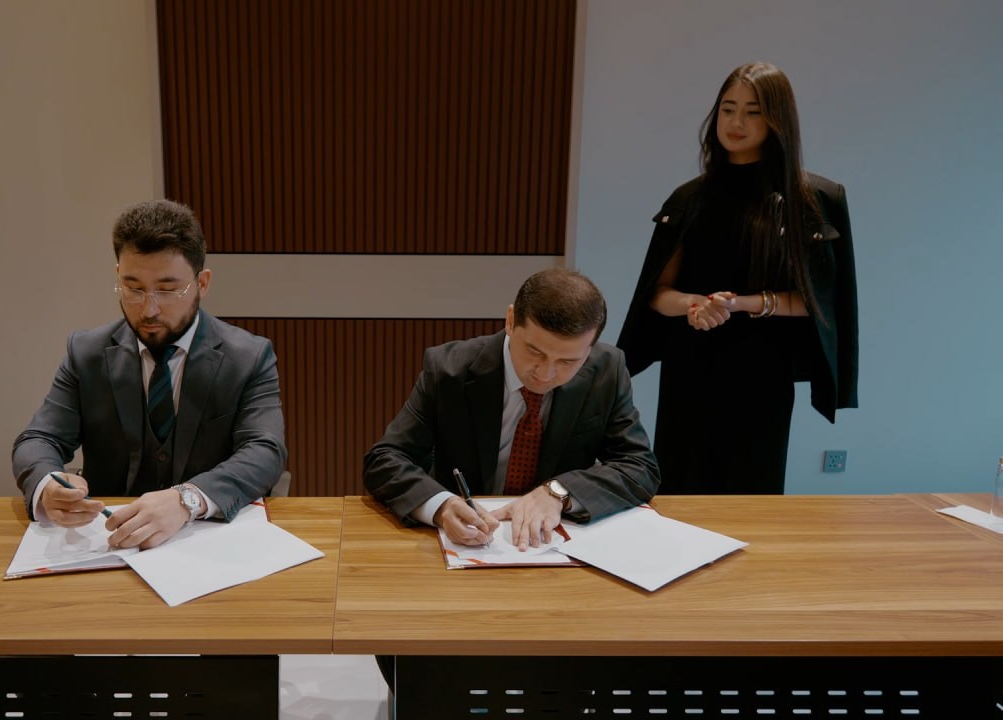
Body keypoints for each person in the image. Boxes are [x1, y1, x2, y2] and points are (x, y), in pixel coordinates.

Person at [617, 62, 858, 495]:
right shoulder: (689, 198)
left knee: (753, 491)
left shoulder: (815, 200)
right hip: (692, 365)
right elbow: (657, 293)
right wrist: (694, 304)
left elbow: (820, 301)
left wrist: (744, 304)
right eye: (728, 109)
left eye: (753, 112)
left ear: (777, 120)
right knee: (680, 488)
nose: (736, 123)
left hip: (763, 370)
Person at [12, 199, 287, 549]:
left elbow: (265, 451)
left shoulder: (248, 356)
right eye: (133, 288)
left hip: (207, 540)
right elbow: (38, 439)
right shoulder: (87, 352)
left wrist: (185, 500)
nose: (149, 308)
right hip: (109, 540)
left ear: (202, 283)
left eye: (167, 290)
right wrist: (48, 485)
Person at [364, 267, 660, 548]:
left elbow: (639, 467)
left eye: (568, 361)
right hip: (468, 539)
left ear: (590, 347)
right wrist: (441, 506)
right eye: (534, 351)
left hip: (555, 543)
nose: (545, 374)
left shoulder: (606, 371)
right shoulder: (450, 369)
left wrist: (559, 493)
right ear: (510, 320)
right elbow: (385, 459)